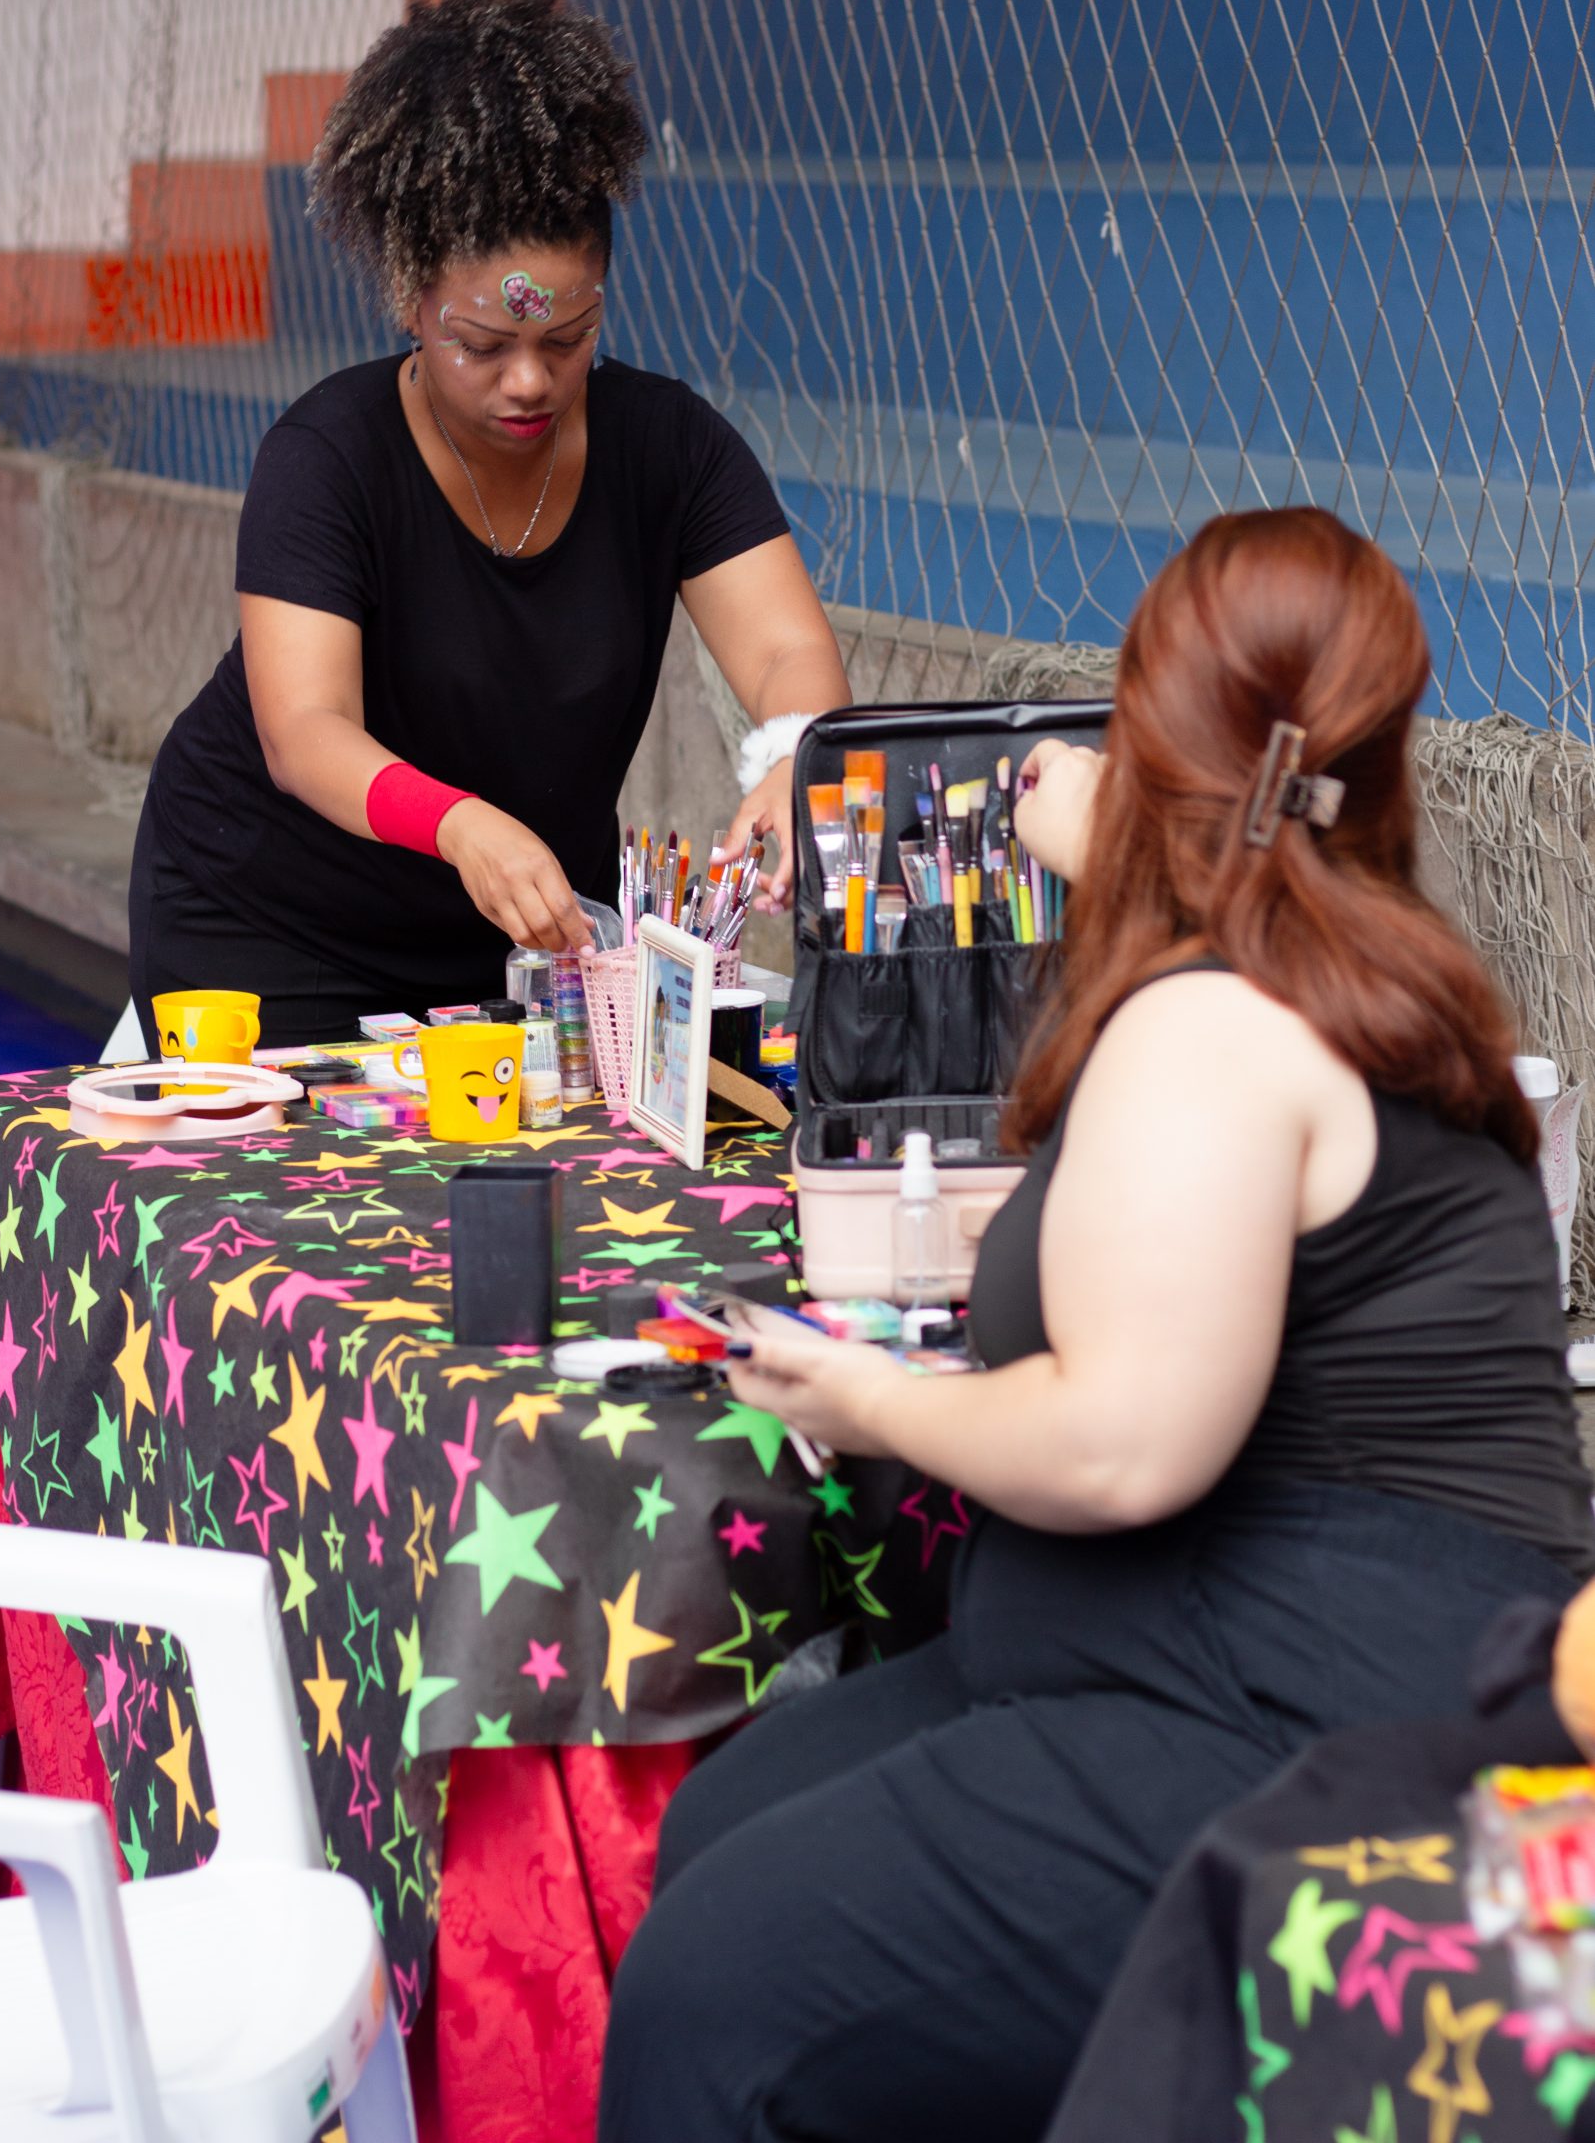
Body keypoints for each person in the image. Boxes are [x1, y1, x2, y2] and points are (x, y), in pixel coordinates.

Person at [599, 506, 1595, 2143]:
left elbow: (1124, 1444)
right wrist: (1127, 842)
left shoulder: (1212, 1019)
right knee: (725, 1829)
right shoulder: (1357, 969)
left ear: (1148, 744)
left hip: (1311, 1709)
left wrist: (860, 1398)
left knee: (711, 1995)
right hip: (1224, 1652)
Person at [130, 0, 848, 1047]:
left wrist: (792, 755)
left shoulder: (670, 449)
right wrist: (459, 824)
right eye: (482, 345)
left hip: (530, 935)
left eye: (566, 340)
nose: (528, 381)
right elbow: (304, 730)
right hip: (273, 928)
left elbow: (786, 646)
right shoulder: (327, 458)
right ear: (411, 302)